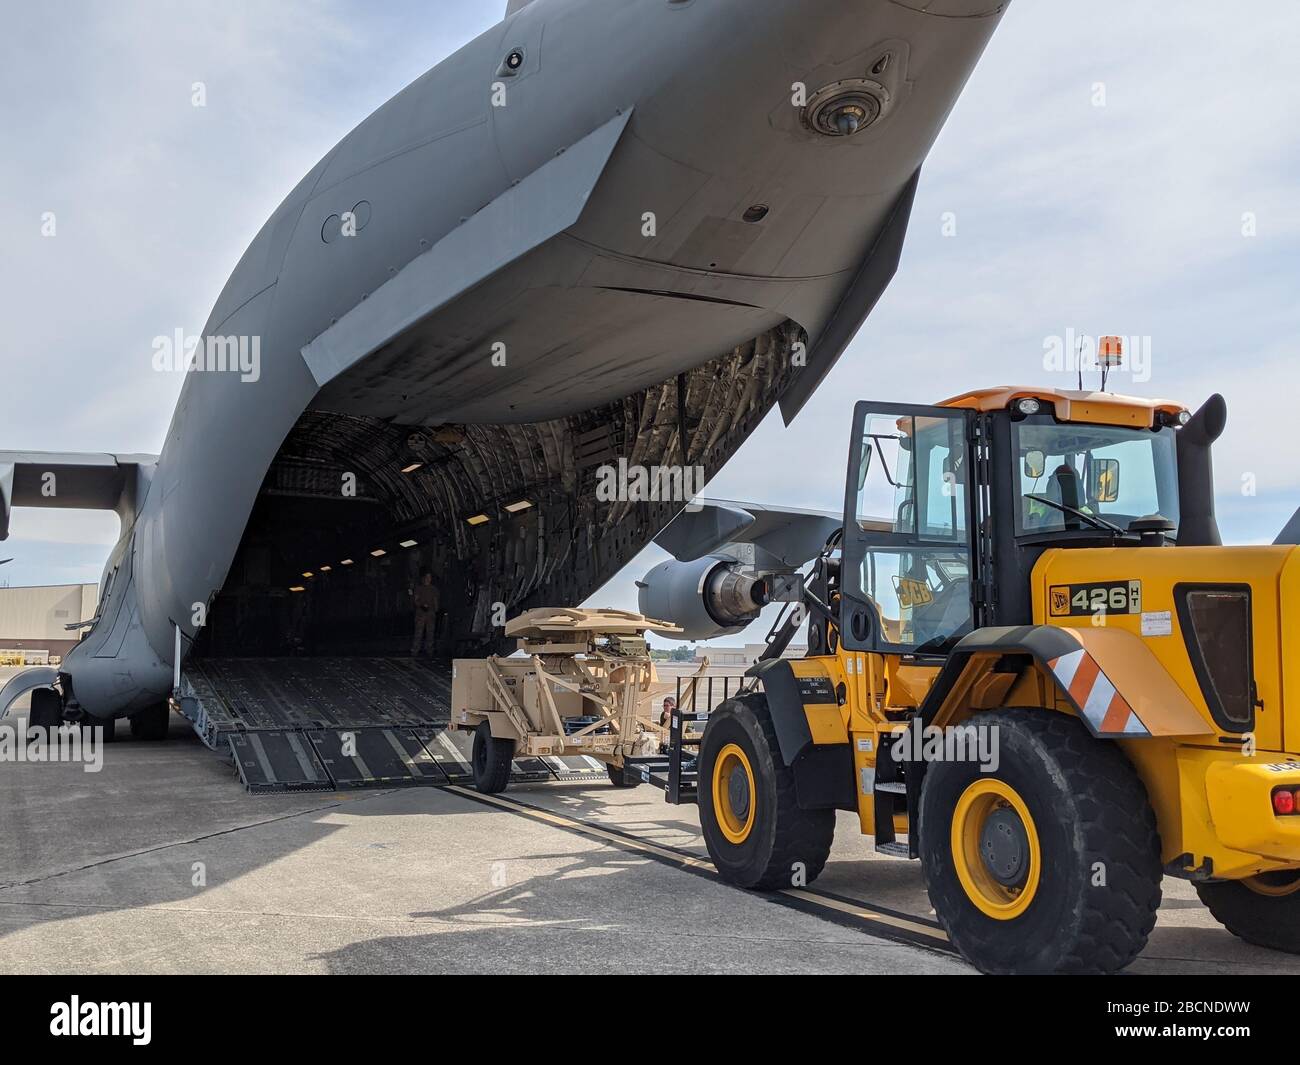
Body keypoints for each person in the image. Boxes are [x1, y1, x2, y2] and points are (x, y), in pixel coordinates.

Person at [410, 571, 440, 656]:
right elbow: (415, 600)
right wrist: (421, 605)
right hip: (421, 613)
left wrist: (436, 610)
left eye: (430, 578)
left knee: (430, 633)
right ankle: (415, 650)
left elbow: (435, 600)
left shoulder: (434, 589)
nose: (428, 579)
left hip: (430, 613)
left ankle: (429, 650)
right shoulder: (419, 588)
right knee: (418, 632)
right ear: (423, 578)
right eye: (427, 577)